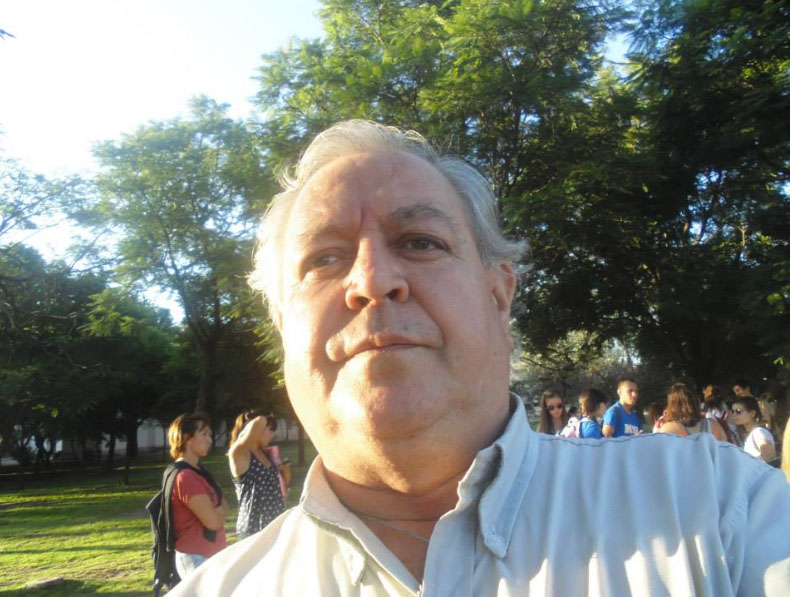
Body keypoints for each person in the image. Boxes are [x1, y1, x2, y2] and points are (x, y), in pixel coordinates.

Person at [171, 120, 790, 595]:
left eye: (420, 242)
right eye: (323, 259)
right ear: (283, 327)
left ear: (499, 297)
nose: (372, 280)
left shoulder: (718, 507)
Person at [167, 413, 228, 579]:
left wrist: (218, 511)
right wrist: (220, 511)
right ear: (187, 438)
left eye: (210, 434)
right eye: (204, 434)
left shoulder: (201, 471)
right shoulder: (185, 476)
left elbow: (223, 504)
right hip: (197, 559)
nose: (210, 440)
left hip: (212, 556)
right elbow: (214, 522)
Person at [228, 411, 288, 539]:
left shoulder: (265, 453)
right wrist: (263, 416)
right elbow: (260, 421)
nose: (272, 435)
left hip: (275, 528)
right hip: (252, 530)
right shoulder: (239, 453)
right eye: (270, 429)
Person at [658, 382, 728, 441]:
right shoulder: (714, 425)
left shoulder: (668, 430)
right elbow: (726, 449)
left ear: (672, 404)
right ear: (696, 401)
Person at [731, 396, 778, 465]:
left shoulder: (758, 433)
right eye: (732, 411)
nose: (734, 415)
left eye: (738, 411)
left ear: (752, 413)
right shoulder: (752, 434)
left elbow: (771, 461)